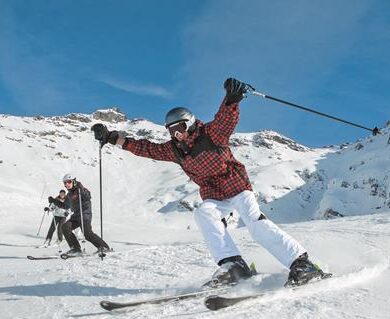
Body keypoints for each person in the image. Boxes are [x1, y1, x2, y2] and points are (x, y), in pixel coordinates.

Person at [91, 78, 327, 287]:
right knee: (204, 214)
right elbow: (146, 147)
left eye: (180, 128)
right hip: (213, 193)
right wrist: (112, 138)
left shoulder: (211, 135)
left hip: (235, 185)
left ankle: (301, 264)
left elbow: (225, 120)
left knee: (254, 221)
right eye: (172, 131)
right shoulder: (175, 150)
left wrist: (231, 99)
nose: (177, 135)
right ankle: (234, 266)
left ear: (190, 123)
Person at [49, 174, 110, 256]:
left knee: (87, 234)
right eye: (65, 183)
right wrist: (54, 201)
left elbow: (88, 196)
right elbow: (65, 206)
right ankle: (75, 249)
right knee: (65, 227)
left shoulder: (81, 189)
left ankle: (104, 247)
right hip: (76, 216)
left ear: (73, 181)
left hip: (84, 214)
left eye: (69, 182)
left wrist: (81, 189)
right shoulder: (69, 195)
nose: (67, 184)